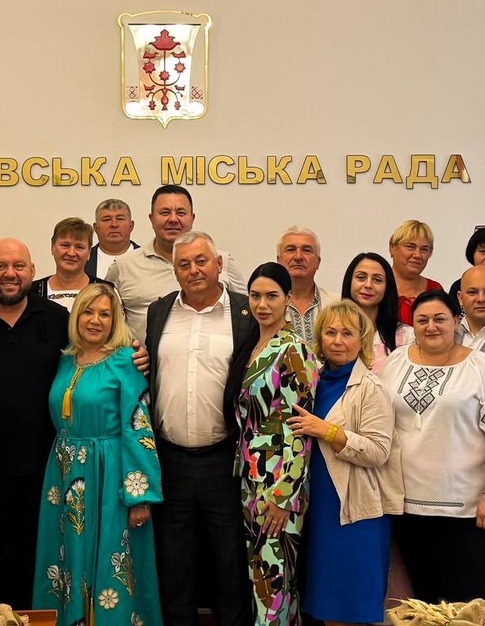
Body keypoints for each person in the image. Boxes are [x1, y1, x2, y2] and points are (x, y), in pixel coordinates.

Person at [377, 289, 485, 603]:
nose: (431, 326)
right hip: (407, 507)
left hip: (468, 509)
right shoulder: (395, 361)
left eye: (440, 319)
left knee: (465, 602)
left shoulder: (480, 366)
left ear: (456, 321)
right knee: (423, 601)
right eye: (422, 320)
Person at [142, 231, 259, 626]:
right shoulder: (159, 312)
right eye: (184, 264)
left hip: (225, 460)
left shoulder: (245, 313)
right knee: (174, 566)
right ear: (174, 271)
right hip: (170, 459)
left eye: (201, 261)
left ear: (219, 264)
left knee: (229, 563)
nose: (193, 270)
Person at [33, 285, 162, 626]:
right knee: (66, 559)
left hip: (109, 477)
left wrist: (140, 497)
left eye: (105, 314)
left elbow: (138, 427)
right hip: (64, 475)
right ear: (76, 316)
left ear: (115, 320)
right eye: (88, 312)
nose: (95, 320)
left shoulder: (125, 361)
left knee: (109, 562)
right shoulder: (65, 359)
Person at [0, 239, 71, 608]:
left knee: (35, 581)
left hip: (44, 476)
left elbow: (92, 360)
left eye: (19, 266)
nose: (10, 274)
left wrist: (136, 354)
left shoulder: (59, 320)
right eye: (1, 266)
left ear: (32, 271)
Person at [289, 301, 396, 626]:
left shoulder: (371, 387)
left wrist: (328, 431)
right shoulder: (311, 381)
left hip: (354, 512)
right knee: (326, 608)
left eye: (347, 333)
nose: (337, 340)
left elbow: (378, 451)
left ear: (361, 340)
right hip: (317, 510)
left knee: (352, 609)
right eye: (330, 332)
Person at [237, 263, 318, 626]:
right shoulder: (252, 345)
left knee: (274, 578)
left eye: (271, 296)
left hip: (280, 482)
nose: (262, 304)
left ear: (287, 298)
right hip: (250, 477)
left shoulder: (294, 349)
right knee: (264, 577)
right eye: (255, 296)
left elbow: (302, 428)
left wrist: (286, 494)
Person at [110, 185, 198, 339]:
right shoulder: (124, 266)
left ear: (192, 218)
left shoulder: (220, 262)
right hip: (142, 355)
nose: (173, 219)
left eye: (181, 213)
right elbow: (107, 323)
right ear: (151, 219)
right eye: (165, 213)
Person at [341, 252, 403, 363]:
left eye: (377, 280)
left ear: (387, 288)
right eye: (361, 277)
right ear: (349, 282)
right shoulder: (332, 329)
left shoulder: (406, 336)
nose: (368, 285)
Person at [277, 227, 330, 341]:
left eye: (306, 250)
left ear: (318, 262)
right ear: (278, 260)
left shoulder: (336, 303)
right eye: (290, 249)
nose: (298, 257)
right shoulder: (265, 306)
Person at [388, 220, 442, 328]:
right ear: (392, 248)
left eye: (424, 249)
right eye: (410, 247)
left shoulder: (435, 290)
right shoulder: (377, 286)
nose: (417, 255)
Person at [34, 217, 96, 307]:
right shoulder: (32, 292)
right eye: (65, 245)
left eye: (79, 247)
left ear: (89, 252)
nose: (71, 253)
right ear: (52, 247)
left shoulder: (107, 291)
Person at [89, 197, 139, 282]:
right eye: (106, 219)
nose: (114, 225)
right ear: (95, 227)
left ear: (131, 225)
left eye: (120, 219)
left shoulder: (148, 260)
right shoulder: (82, 261)